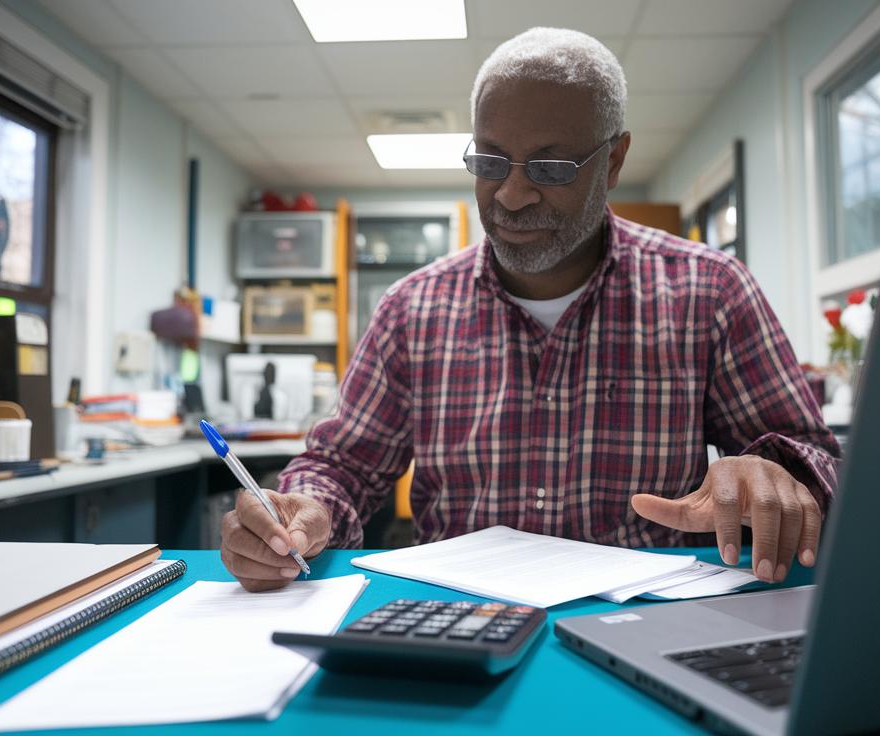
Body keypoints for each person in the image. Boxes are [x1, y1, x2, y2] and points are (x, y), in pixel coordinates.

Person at [221, 28, 839, 592]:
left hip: (647, 621)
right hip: (455, 618)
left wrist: (771, 476)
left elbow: (811, 458)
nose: (512, 195)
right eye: (490, 162)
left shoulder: (709, 292)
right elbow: (343, 467)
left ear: (614, 161)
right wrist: (301, 510)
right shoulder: (411, 310)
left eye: (551, 166)